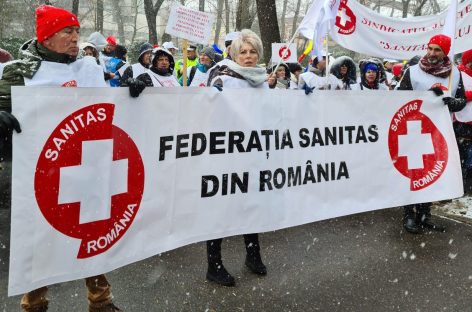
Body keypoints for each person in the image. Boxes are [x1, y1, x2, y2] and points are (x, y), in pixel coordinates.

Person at [0, 5, 121, 312]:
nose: (75, 38)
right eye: (67, 31)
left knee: (92, 233)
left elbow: (112, 110)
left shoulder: (88, 68)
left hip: (87, 169)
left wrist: (134, 94)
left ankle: (101, 301)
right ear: (47, 37)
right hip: (41, 173)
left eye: (77, 31)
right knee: (40, 238)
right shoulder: (17, 72)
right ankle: (35, 304)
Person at [207, 29, 276, 287]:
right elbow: (208, 106)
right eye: (243, 52)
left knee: (251, 206)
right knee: (221, 210)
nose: (248, 56)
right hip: (225, 156)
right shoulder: (223, 77)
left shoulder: (261, 80)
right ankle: (213, 264)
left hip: (252, 154)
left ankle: (253, 255)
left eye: (253, 51)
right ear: (235, 55)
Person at [397, 34, 467, 234]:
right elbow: (399, 99)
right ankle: (409, 215)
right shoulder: (412, 72)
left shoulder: (455, 73)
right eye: (430, 48)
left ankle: (425, 215)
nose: (432, 53)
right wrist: (425, 97)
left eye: (437, 49)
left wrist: (455, 103)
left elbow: (461, 100)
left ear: (445, 52)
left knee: (432, 174)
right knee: (414, 174)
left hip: (440, 132)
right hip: (414, 131)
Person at [452, 49, 472, 193]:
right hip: (462, 121)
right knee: (462, 155)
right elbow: (456, 96)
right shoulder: (459, 75)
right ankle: (461, 185)